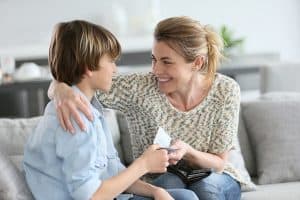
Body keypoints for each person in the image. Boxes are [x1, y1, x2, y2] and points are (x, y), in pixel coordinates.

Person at [48, 16, 251, 200]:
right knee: (174, 190)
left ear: (197, 63)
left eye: (166, 62)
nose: (156, 70)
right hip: (161, 176)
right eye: (154, 59)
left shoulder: (225, 90)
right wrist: (61, 90)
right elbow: (80, 81)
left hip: (212, 175)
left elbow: (219, 163)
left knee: (206, 190)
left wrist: (188, 152)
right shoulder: (139, 88)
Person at [23, 20, 199, 200]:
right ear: (89, 67)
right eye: (111, 61)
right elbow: (91, 197)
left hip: (115, 195)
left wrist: (155, 191)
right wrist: (144, 164)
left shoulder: (91, 110)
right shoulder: (75, 118)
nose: (115, 69)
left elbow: (113, 172)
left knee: (185, 196)